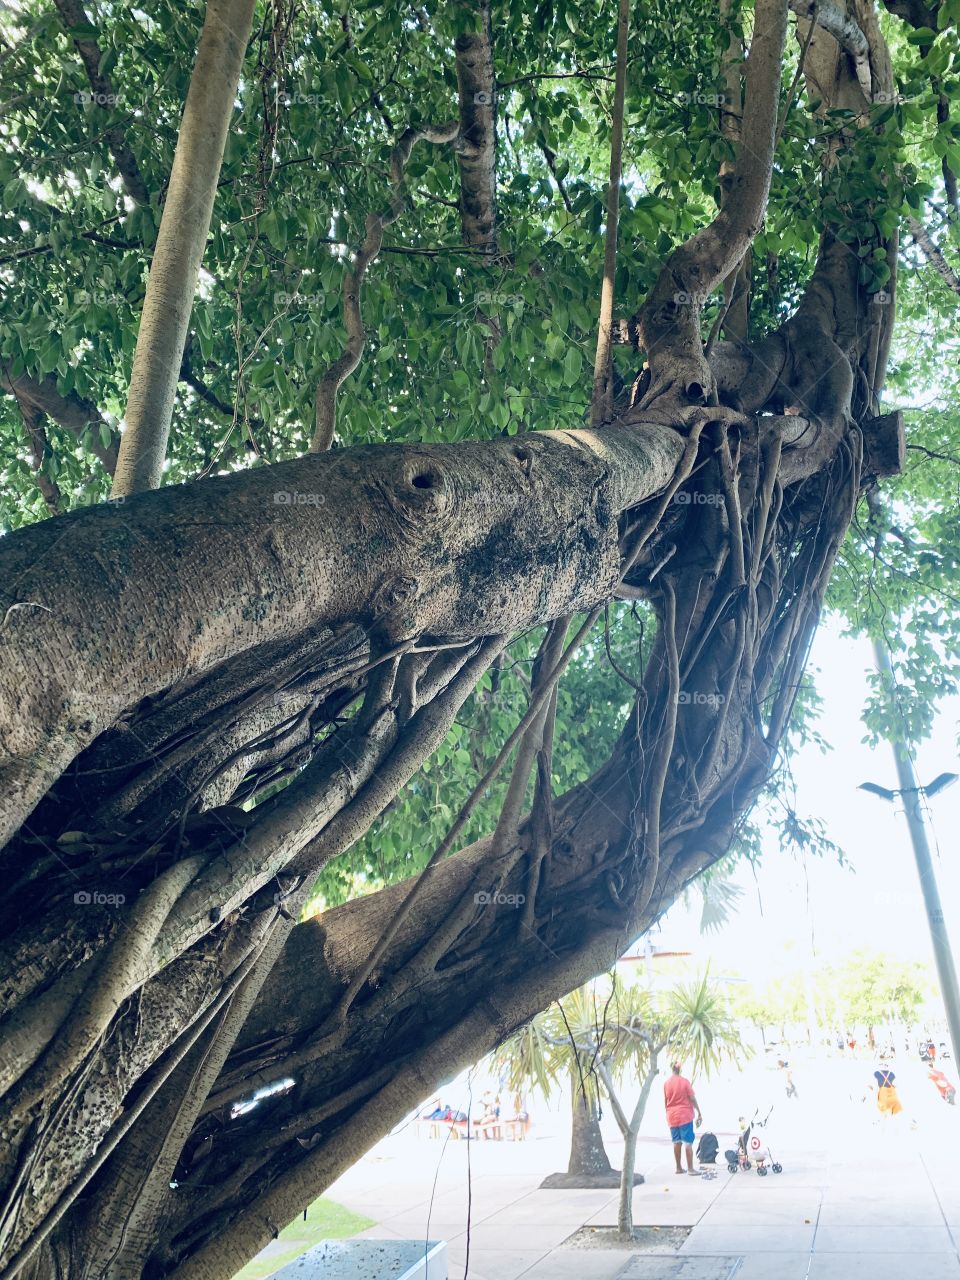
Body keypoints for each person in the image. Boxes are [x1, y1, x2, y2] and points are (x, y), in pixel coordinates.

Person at [664, 1062, 702, 1176]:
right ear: (680, 1069)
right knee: (688, 1142)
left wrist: (668, 1113)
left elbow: (665, 1102)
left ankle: (679, 1168)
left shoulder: (666, 1083)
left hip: (671, 1116)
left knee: (676, 1142)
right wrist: (699, 1112)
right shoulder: (684, 1082)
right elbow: (692, 1098)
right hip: (684, 1115)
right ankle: (690, 1169)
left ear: (672, 1069)